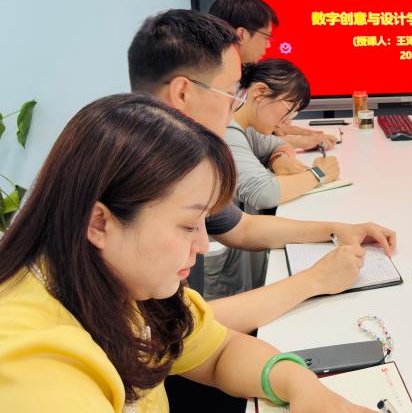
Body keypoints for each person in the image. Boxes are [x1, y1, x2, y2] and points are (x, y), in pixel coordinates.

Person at [0, 94, 374, 412]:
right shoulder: (38, 368)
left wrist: (300, 384)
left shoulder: (122, 284)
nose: (203, 245)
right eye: (187, 225)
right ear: (98, 223)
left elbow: (219, 350)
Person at [127, 9, 395, 330]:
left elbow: (242, 228)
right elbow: (172, 331)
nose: (234, 107)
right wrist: (314, 280)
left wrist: (336, 229)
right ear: (182, 92)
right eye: (230, 94)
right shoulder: (135, 177)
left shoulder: (184, 158)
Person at [209, 0, 337, 151]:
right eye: (267, 36)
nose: (268, 44)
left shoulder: (230, 72)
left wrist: (294, 133)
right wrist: (298, 143)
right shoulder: (215, 84)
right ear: (241, 34)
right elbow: (234, 141)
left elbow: (247, 132)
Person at [229, 58, 340, 212]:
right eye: (289, 109)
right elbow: (262, 194)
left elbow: (280, 145)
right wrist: (319, 173)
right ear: (260, 92)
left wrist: (278, 159)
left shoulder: (248, 129)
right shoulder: (228, 131)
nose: (287, 121)